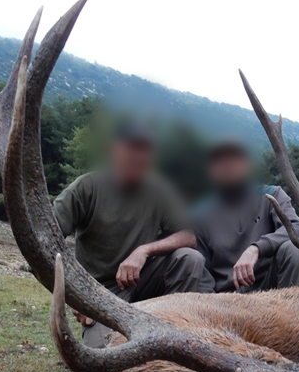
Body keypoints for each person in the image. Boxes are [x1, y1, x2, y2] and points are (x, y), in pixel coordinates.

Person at [53, 123, 209, 347]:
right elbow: (46, 240)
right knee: (102, 363)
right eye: (132, 148)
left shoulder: (159, 190)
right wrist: (75, 294)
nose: (139, 156)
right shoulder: (87, 187)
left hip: (141, 281)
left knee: (190, 259)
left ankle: (171, 332)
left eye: (146, 149)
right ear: (114, 150)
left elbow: (188, 236)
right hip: (99, 293)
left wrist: (144, 250)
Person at [193, 138, 299, 293]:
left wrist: (256, 248)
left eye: (235, 159)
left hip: (272, 295)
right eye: (220, 161)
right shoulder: (199, 214)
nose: (228, 166)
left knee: (298, 251)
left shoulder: (272, 195)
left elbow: (296, 230)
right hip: (225, 303)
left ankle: (294, 315)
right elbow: (203, 276)